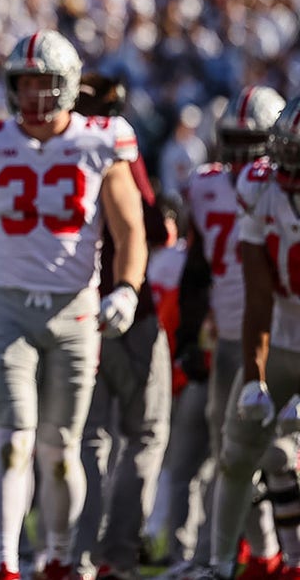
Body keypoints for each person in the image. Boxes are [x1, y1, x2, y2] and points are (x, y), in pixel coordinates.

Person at [0, 29, 147, 580]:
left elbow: (129, 224)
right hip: (9, 306)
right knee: (13, 435)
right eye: (24, 84)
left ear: (69, 87)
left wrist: (127, 288)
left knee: (61, 446)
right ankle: (3, 559)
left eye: (45, 84)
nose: (33, 96)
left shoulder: (102, 139)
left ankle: (61, 557)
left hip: (75, 308)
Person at [160, 85, 286, 580]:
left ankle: (280, 554)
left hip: (284, 336)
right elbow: (196, 268)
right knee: (229, 454)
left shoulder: (283, 188)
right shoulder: (207, 184)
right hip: (233, 338)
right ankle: (261, 554)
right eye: (232, 140)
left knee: (281, 451)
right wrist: (190, 337)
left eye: (249, 141)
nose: (239, 153)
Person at [68, 73, 172, 580]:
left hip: (80, 312)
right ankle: (117, 554)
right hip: (131, 311)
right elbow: (154, 228)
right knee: (144, 435)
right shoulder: (115, 146)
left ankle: (80, 554)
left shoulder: (57, 149)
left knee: (90, 440)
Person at [193, 94, 300, 580]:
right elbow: (259, 296)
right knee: (236, 452)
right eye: (286, 155)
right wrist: (256, 378)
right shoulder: (261, 190)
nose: (289, 169)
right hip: (278, 335)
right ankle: (221, 565)